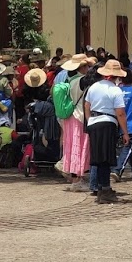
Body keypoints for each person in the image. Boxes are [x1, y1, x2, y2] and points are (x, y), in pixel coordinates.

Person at [85, 59, 130, 204]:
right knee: (105, 159)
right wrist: (125, 132)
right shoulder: (115, 90)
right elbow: (120, 113)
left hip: (94, 122)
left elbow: (87, 105)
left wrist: (89, 120)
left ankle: (99, 187)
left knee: (98, 158)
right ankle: (105, 189)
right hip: (107, 123)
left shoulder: (93, 87)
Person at [57, 55, 91, 191]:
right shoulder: (82, 80)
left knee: (71, 146)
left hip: (69, 117)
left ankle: (75, 178)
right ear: (82, 67)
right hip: (79, 117)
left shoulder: (69, 80)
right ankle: (77, 180)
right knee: (79, 146)